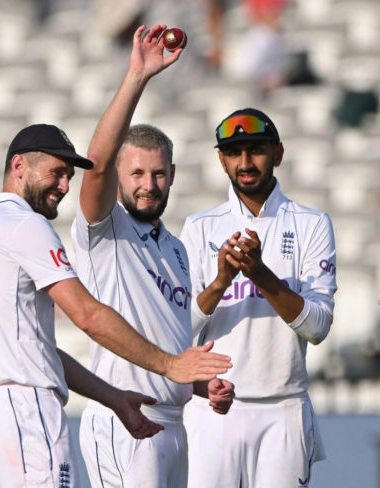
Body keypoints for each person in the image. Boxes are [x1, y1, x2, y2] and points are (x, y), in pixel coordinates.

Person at [0, 123, 231, 485]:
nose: (65, 186)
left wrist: (114, 397)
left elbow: (40, 350)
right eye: (56, 172)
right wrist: (169, 365)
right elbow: (86, 315)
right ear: (18, 165)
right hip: (25, 406)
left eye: (69, 176)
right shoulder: (27, 225)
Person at [68, 24, 235, 488]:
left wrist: (200, 386)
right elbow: (96, 163)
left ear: (173, 174)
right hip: (126, 422)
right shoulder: (104, 231)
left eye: (158, 174)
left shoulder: (176, 249)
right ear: (120, 174)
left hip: (174, 424)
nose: (148, 184)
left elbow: (170, 342)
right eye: (137, 172)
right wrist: (137, 76)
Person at [180, 108, 337, 487]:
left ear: (278, 154)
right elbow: (178, 328)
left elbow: (317, 328)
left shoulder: (311, 224)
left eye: (256, 150)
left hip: (283, 408)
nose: (245, 162)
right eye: (234, 152)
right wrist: (220, 282)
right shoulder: (200, 227)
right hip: (212, 409)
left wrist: (259, 274)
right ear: (221, 160)